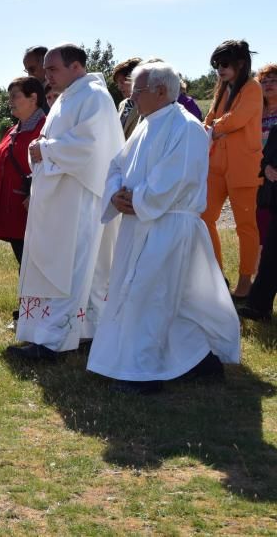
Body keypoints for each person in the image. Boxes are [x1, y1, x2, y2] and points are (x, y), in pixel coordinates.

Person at [87, 61, 241, 394]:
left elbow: (177, 179)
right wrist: (117, 194)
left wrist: (137, 199)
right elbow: (118, 164)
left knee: (150, 297)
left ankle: (144, 374)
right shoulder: (146, 125)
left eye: (137, 91)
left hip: (167, 226)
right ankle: (200, 361)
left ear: (160, 91)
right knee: (172, 300)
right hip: (140, 224)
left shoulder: (185, 128)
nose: (132, 98)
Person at [9, 44, 124, 361]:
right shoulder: (71, 96)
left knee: (71, 265)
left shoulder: (94, 98)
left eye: (52, 69)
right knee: (77, 266)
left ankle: (52, 341)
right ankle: (87, 330)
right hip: (63, 195)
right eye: (45, 70)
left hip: (80, 197)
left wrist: (45, 149)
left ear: (76, 66)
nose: (46, 76)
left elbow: (89, 146)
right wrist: (43, 147)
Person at [201, 39, 263, 299]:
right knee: (204, 219)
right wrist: (210, 131)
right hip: (216, 166)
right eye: (216, 65)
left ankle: (246, 281)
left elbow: (236, 120)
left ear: (241, 63)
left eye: (224, 64)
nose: (220, 69)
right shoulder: (222, 89)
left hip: (244, 168)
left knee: (245, 226)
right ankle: (216, 276)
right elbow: (209, 121)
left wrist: (214, 130)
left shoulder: (252, 88)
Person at [0, 76, 48, 266]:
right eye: (9, 97)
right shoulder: (13, 130)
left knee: (36, 270)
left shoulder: (46, 129)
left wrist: (38, 194)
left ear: (33, 98)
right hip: (13, 214)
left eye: (15, 96)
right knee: (26, 269)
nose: (10, 101)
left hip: (33, 214)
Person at [238, 115, 277, 322]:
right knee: (271, 257)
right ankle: (259, 307)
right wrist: (268, 169)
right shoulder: (276, 131)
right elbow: (264, 161)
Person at [256, 64, 277, 245]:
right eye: (264, 81)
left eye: (273, 80)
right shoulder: (254, 112)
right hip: (258, 172)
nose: (268, 84)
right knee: (261, 224)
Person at [112, 57, 143, 140]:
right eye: (118, 83)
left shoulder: (146, 105)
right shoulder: (123, 104)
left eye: (122, 82)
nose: (119, 87)